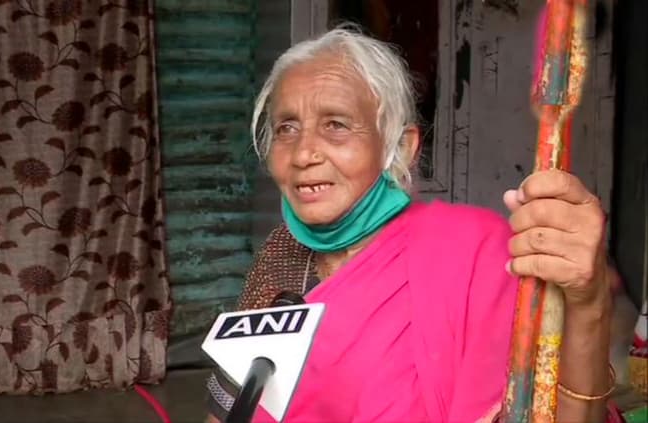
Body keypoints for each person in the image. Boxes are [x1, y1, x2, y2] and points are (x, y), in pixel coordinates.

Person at [205, 26, 621, 423]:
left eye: (336, 125)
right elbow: (227, 409)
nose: (302, 154)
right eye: (287, 128)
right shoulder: (280, 257)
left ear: (399, 146)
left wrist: (589, 305)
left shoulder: (476, 252)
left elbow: (561, 413)